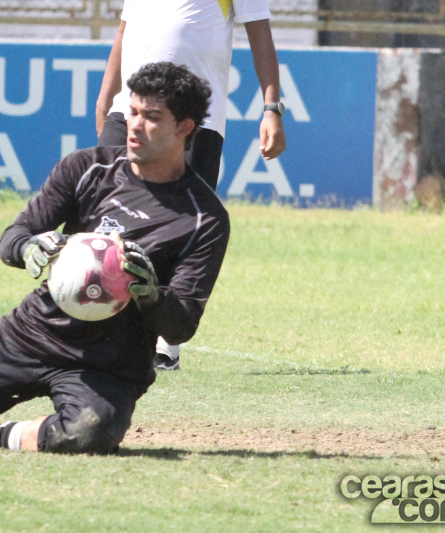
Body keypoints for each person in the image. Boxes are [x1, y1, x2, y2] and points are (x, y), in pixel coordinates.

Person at [0, 62, 230, 455]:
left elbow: (181, 325)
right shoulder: (86, 167)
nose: (134, 125)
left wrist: (150, 294)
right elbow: (13, 236)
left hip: (105, 364)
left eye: (151, 117)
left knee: (88, 434)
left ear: (184, 127)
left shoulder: (204, 219)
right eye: (132, 112)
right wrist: (28, 247)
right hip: (32, 333)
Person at [96, 0, 287, 370]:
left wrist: (271, 109)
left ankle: (166, 344)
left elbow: (260, 35)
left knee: (182, 226)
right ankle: (95, 323)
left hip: (194, 119)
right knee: (103, 210)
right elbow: (125, 30)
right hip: (129, 110)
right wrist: (107, 96)